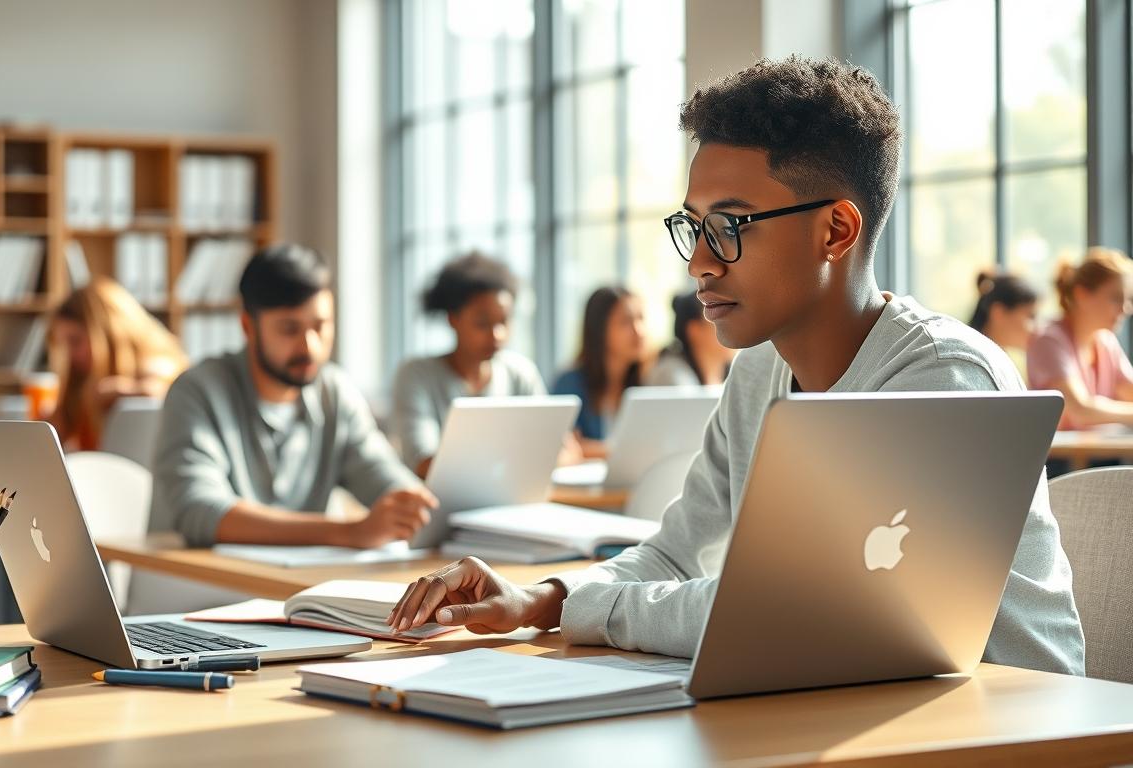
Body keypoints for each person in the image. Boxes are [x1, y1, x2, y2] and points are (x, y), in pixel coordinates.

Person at [387, 56, 1083, 676]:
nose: (699, 261)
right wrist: (540, 599)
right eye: (694, 225)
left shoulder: (943, 381)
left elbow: (791, 615)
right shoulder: (757, 371)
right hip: (842, 711)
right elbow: (673, 552)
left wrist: (587, 613)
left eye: (731, 226)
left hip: (1002, 729)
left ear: (835, 231)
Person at [150, 244, 438, 548]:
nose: (310, 346)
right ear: (248, 326)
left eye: (321, 326)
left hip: (295, 586)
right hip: (193, 585)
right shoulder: (196, 391)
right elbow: (199, 510)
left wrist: (413, 506)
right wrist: (347, 532)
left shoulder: (335, 392)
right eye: (289, 329)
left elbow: (382, 476)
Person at [391, 252, 546, 478]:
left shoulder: (522, 374)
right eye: (482, 323)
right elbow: (423, 462)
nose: (497, 335)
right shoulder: (416, 376)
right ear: (453, 319)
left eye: (504, 321)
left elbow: (553, 448)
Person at [46, 277, 188, 451]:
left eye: (76, 341)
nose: (71, 355)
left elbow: (164, 393)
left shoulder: (159, 367)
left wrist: (119, 391)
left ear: (109, 334)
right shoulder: (81, 381)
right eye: (65, 345)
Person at [1028, 247, 1133, 430]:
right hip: (1057, 457)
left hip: (1095, 454)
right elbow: (1079, 409)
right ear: (1081, 295)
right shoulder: (1048, 340)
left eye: (1129, 299)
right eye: (1116, 298)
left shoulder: (1106, 341)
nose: (1126, 309)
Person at [551, 286, 648, 458]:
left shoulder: (646, 382)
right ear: (599, 329)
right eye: (625, 322)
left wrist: (592, 449)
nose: (639, 331)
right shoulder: (569, 383)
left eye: (641, 318)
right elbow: (563, 447)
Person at [645, 291, 735, 387]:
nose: (735, 327)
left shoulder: (733, 375)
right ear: (694, 330)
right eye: (722, 318)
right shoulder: (671, 375)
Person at [967, 271, 1038, 380]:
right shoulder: (971, 363)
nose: (1036, 328)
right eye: (1030, 316)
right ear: (998, 312)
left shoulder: (998, 362)